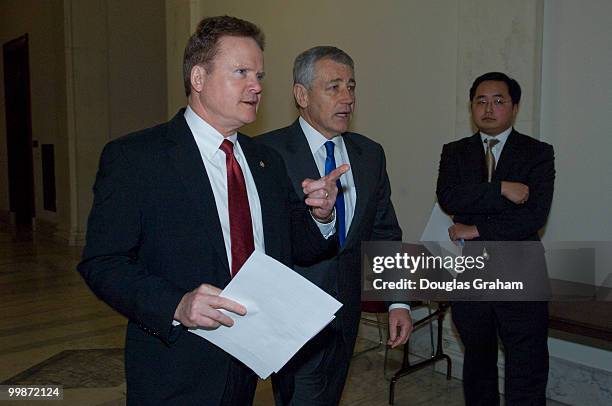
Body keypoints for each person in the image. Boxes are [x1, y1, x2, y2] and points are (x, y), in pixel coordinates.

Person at [78, 16, 348, 405]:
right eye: (241, 72)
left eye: (259, 75)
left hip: (250, 362)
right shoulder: (136, 158)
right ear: (198, 79)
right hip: (175, 367)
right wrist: (176, 304)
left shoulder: (265, 161)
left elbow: (299, 249)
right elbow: (103, 262)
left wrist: (321, 216)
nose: (256, 86)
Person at [258, 46, 413, 406]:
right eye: (334, 87)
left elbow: (384, 233)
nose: (347, 98)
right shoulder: (266, 153)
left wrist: (398, 302)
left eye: (352, 87)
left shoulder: (369, 154)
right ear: (302, 94)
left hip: (346, 313)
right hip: (291, 314)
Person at [436, 71, 555, 405]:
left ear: (514, 107)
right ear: (471, 107)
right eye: (481, 101)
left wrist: (477, 229)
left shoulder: (538, 153)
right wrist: (501, 189)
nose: (489, 108)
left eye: (498, 101)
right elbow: (449, 197)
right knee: (477, 362)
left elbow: (534, 215)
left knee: (527, 365)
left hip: (521, 270)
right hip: (472, 273)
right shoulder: (455, 152)